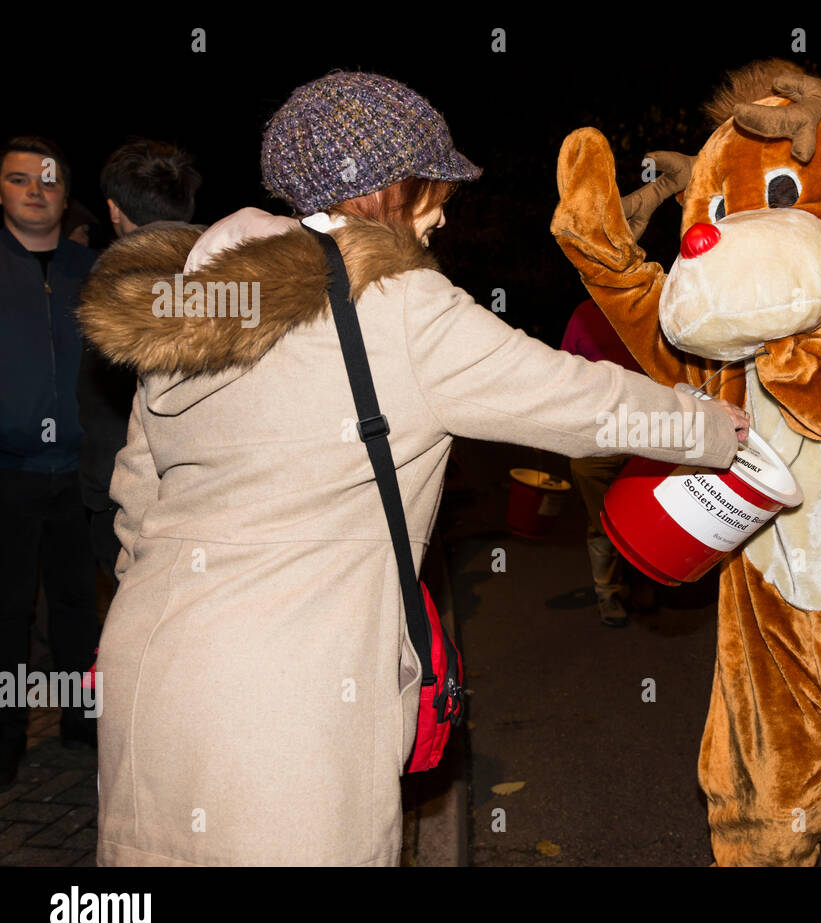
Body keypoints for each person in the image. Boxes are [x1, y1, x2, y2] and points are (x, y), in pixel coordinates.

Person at [77, 71, 748, 866]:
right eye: (434, 186)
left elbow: (136, 495)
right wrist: (718, 427)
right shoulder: (397, 306)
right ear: (391, 190)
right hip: (285, 691)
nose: (442, 209)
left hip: (149, 663)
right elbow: (577, 399)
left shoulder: (197, 308)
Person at [0, 136, 101, 788]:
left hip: (84, 473)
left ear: (67, 194)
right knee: (7, 616)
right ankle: (5, 744)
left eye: (48, 180)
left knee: (80, 609)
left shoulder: (96, 271)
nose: (35, 190)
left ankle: (83, 726)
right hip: (6, 476)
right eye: (18, 180)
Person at [78, 139, 201, 577]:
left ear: (114, 209)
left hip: (134, 495)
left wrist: (96, 490)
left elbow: (105, 393)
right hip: (209, 488)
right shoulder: (233, 260)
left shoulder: (116, 272)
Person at [560, 298, 645, 627]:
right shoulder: (583, 315)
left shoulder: (646, 307)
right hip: (594, 440)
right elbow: (565, 374)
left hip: (646, 435)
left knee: (644, 516)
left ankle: (642, 584)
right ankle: (608, 592)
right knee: (603, 521)